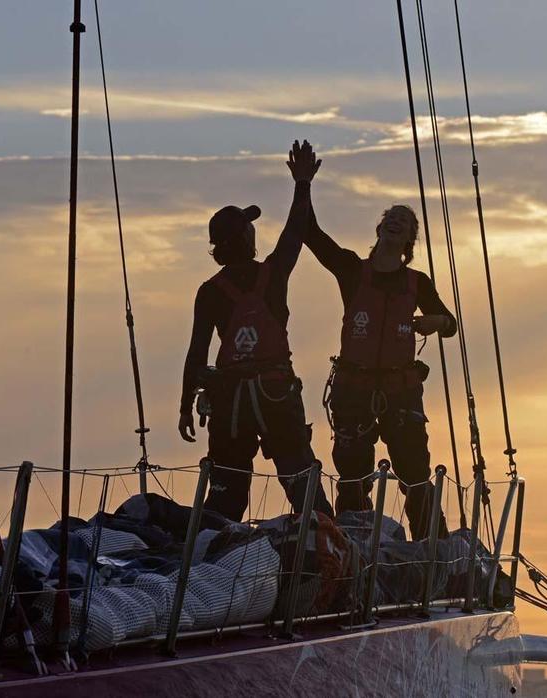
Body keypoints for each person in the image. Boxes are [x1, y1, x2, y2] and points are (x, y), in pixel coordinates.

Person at [178, 140, 332, 522]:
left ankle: (208, 559)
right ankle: (330, 549)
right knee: (302, 484)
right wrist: (302, 182)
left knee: (227, 498)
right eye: (249, 225)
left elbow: (197, 354)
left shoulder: (209, 292)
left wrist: (185, 405)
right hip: (275, 393)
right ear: (246, 238)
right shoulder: (274, 273)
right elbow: (296, 231)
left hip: (229, 401)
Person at [304, 192, 456, 540]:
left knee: (415, 473)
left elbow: (450, 325)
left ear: (409, 240)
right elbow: (311, 235)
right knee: (353, 475)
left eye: (404, 220)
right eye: (391, 216)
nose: (396, 220)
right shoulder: (352, 270)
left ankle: (433, 551)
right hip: (353, 390)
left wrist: (437, 322)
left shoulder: (418, 283)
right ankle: (352, 551)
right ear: (379, 228)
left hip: (400, 392)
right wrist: (303, 185)